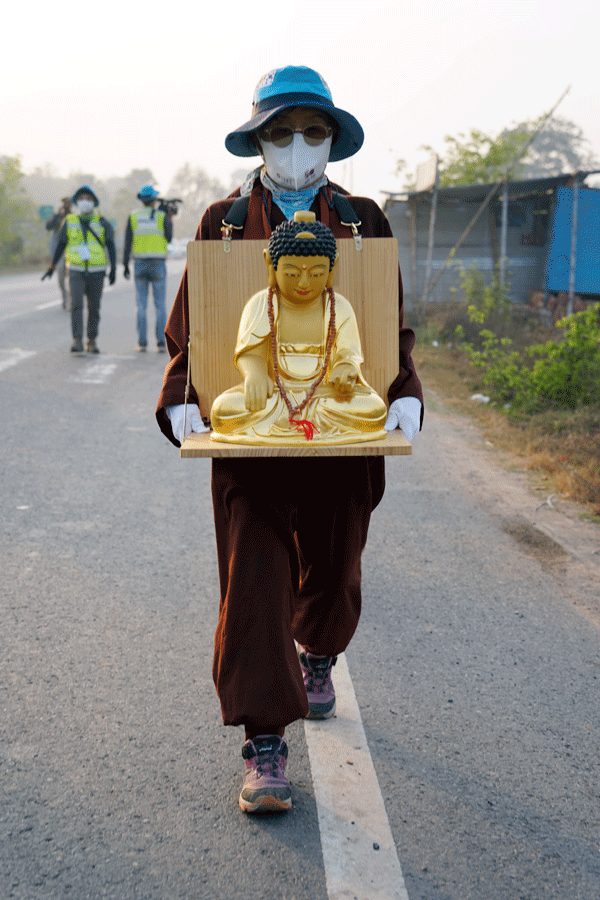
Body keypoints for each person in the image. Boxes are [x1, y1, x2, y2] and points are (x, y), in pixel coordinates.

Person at [156, 66, 424, 814]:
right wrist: (182, 400)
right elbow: (194, 330)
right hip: (254, 442)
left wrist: (403, 395)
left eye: (312, 131)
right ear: (259, 140)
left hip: (340, 433)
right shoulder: (224, 221)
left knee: (334, 567)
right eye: (281, 131)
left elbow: (385, 326)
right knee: (254, 577)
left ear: (332, 139)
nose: (297, 146)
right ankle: (265, 738)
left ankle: (320, 652)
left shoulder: (365, 219)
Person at [210, 214, 388, 444]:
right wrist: (254, 375)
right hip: (275, 395)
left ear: (331, 269)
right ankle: (305, 427)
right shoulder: (261, 304)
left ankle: (289, 426)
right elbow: (250, 352)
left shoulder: (338, 307)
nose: (304, 283)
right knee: (223, 411)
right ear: (270, 265)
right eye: (292, 274)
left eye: (316, 274)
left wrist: (345, 369)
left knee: (374, 410)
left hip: (323, 396)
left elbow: (348, 353)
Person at [42, 186, 116, 354]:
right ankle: (77, 340)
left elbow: (111, 246)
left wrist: (113, 270)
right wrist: (52, 266)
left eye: (89, 199)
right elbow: (61, 245)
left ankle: (92, 340)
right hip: (75, 270)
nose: (85, 201)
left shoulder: (103, 222)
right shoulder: (69, 221)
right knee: (76, 305)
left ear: (94, 202)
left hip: (97, 271)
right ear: (77, 202)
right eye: (82, 198)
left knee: (94, 307)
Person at [122, 185, 173, 352]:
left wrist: (124, 265)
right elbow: (169, 237)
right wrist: (168, 216)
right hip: (158, 264)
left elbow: (127, 242)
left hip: (139, 264)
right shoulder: (161, 216)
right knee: (160, 305)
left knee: (141, 305)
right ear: (154, 200)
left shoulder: (133, 216)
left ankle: (142, 342)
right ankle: (160, 343)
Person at [45, 197, 72, 308]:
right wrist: (55, 215)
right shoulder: (57, 217)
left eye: (68, 203)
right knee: (60, 274)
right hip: (58, 250)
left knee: (72, 276)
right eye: (64, 203)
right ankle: (64, 296)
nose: (65, 205)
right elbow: (48, 227)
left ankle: (72, 298)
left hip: (71, 250)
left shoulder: (73, 217)